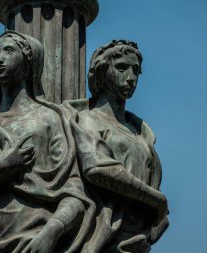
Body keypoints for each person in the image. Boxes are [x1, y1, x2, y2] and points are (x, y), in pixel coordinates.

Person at [0, 31, 94, 253]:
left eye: (9, 51)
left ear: (29, 62)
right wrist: (0, 169)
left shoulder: (52, 118)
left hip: (37, 241)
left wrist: (53, 230)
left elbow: (75, 190)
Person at [64, 40, 169, 253]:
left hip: (138, 239)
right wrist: (157, 201)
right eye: (121, 68)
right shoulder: (89, 119)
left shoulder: (140, 132)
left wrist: (158, 214)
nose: (131, 77)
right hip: (105, 237)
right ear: (102, 72)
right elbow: (97, 169)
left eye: (136, 71)